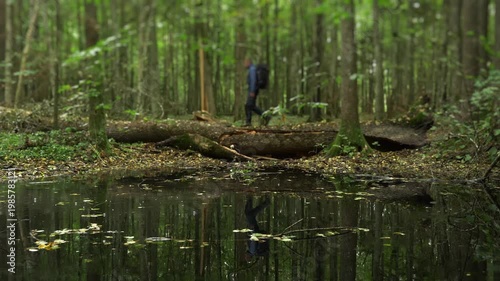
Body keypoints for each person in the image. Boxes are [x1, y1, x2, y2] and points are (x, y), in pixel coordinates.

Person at [244, 58, 270, 127]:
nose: (244, 64)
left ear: (249, 62)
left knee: (248, 105)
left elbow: (253, 80)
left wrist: (252, 91)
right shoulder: (253, 69)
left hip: (253, 90)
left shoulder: (252, 69)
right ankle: (266, 116)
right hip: (254, 89)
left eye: (245, 63)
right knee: (251, 106)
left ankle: (248, 122)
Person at [244, 195, 270, 262]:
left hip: (255, 230)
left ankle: (251, 199)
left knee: (250, 214)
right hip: (254, 229)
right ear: (249, 257)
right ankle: (250, 198)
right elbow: (253, 240)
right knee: (248, 215)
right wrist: (252, 230)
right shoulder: (252, 250)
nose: (245, 255)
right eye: (246, 257)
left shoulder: (252, 251)